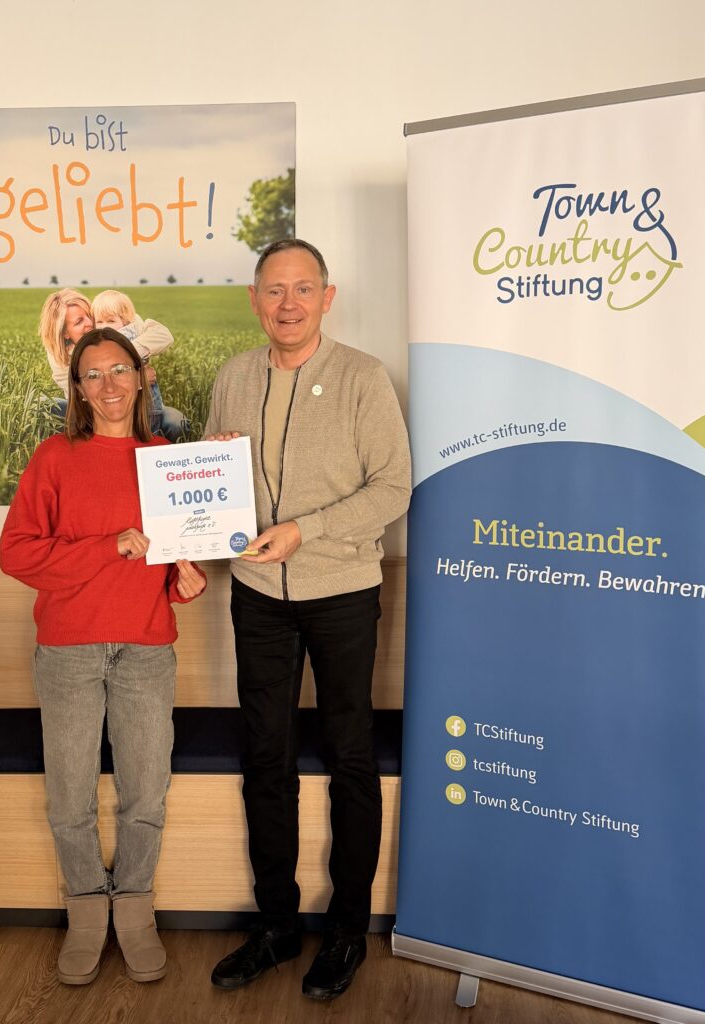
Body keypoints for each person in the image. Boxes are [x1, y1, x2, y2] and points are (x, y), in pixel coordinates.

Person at [204, 239, 411, 1000]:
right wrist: (212, 475)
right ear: (254, 299)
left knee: (350, 756)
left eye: (302, 289)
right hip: (257, 593)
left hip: (342, 592)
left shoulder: (362, 377)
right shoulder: (233, 377)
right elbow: (214, 484)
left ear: (327, 297)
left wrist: (306, 530)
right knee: (267, 757)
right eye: (273, 290)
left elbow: (393, 486)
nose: (286, 304)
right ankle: (277, 926)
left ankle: (347, 930)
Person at [0, 327, 206, 986]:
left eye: (119, 370)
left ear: (141, 378)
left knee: (145, 791)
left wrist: (185, 581)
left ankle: (136, 911)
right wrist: (106, 546)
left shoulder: (166, 460)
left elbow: (172, 562)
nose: (109, 384)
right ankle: (86, 913)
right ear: (79, 389)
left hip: (146, 648)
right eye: (93, 374)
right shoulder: (54, 457)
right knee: (70, 797)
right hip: (68, 650)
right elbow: (16, 553)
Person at [38, 288, 189, 440]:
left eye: (89, 315)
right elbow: (78, 392)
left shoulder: (115, 321)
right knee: (41, 405)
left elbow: (163, 335)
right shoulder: (59, 354)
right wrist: (137, 378)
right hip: (90, 410)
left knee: (177, 423)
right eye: (79, 322)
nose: (90, 323)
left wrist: (124, 351)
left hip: (140, 406)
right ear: (65, 333)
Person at [91, 289, 190, 441]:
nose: (105, 327)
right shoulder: (96, 339)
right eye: (100, 322)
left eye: (111, 321)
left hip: (146, 399)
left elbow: (165, 336)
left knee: (151, 427)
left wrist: (127, 351)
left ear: (125, 321)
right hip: (119, 402)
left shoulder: (134, 332)